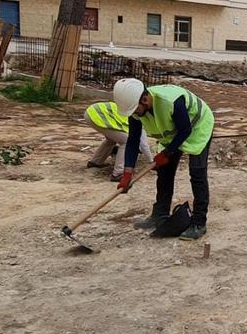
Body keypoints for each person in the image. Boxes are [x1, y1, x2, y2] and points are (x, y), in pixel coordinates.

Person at [112, 78, 215, 241]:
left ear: (145, 100)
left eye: (135, 110)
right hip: (174, 131)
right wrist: (127, 173)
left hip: (197, 127)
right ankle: (159, 214)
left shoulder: (172, 101)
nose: (134, 114)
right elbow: (132, 140)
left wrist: (166, 154)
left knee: (197, 173)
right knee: (164, 172)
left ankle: (199, 223)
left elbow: (185, 130)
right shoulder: (135, 108)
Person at [84, 101, 156, 181]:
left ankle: (95, 162)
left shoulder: (132, 110)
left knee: (111, 140)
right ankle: (118, 173)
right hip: (98, 115)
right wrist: (151, 162)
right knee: (126, 141)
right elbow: (143, 145)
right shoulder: (140, 121)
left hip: (92, 112)